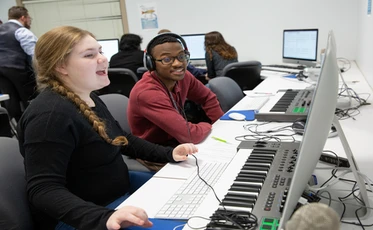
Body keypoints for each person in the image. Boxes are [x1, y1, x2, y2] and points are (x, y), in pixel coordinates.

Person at [16, 26, 198, 230]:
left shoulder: (88, 97)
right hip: (85, 214)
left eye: (101, 51)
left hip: (116, 192)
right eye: (89, 55)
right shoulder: (49, 116)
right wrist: (103, 218)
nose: (103, 59)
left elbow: (121, 138)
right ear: (61, 66)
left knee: (193, 194)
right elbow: (43, 189)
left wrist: (169, 153)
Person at [128, 33, 223, 155]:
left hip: (178, 143)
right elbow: (190, 135)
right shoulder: (147, 93)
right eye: (167, 59)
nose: (178, 64)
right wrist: (208, 125)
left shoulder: (184, 77)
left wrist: (221, 124)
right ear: (151, 64)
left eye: (181, 56)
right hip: (156, 151)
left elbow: (207, 97)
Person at [0, 6, 38, 121]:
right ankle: (34, 123)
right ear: (23, 18)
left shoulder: (1, 29)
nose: (29, 21)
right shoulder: (21, 31)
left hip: (1, 71)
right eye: (29, 18)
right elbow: (34, 54)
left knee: (11, 101)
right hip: (19, 69)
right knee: (30, 99)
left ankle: (18, 128)